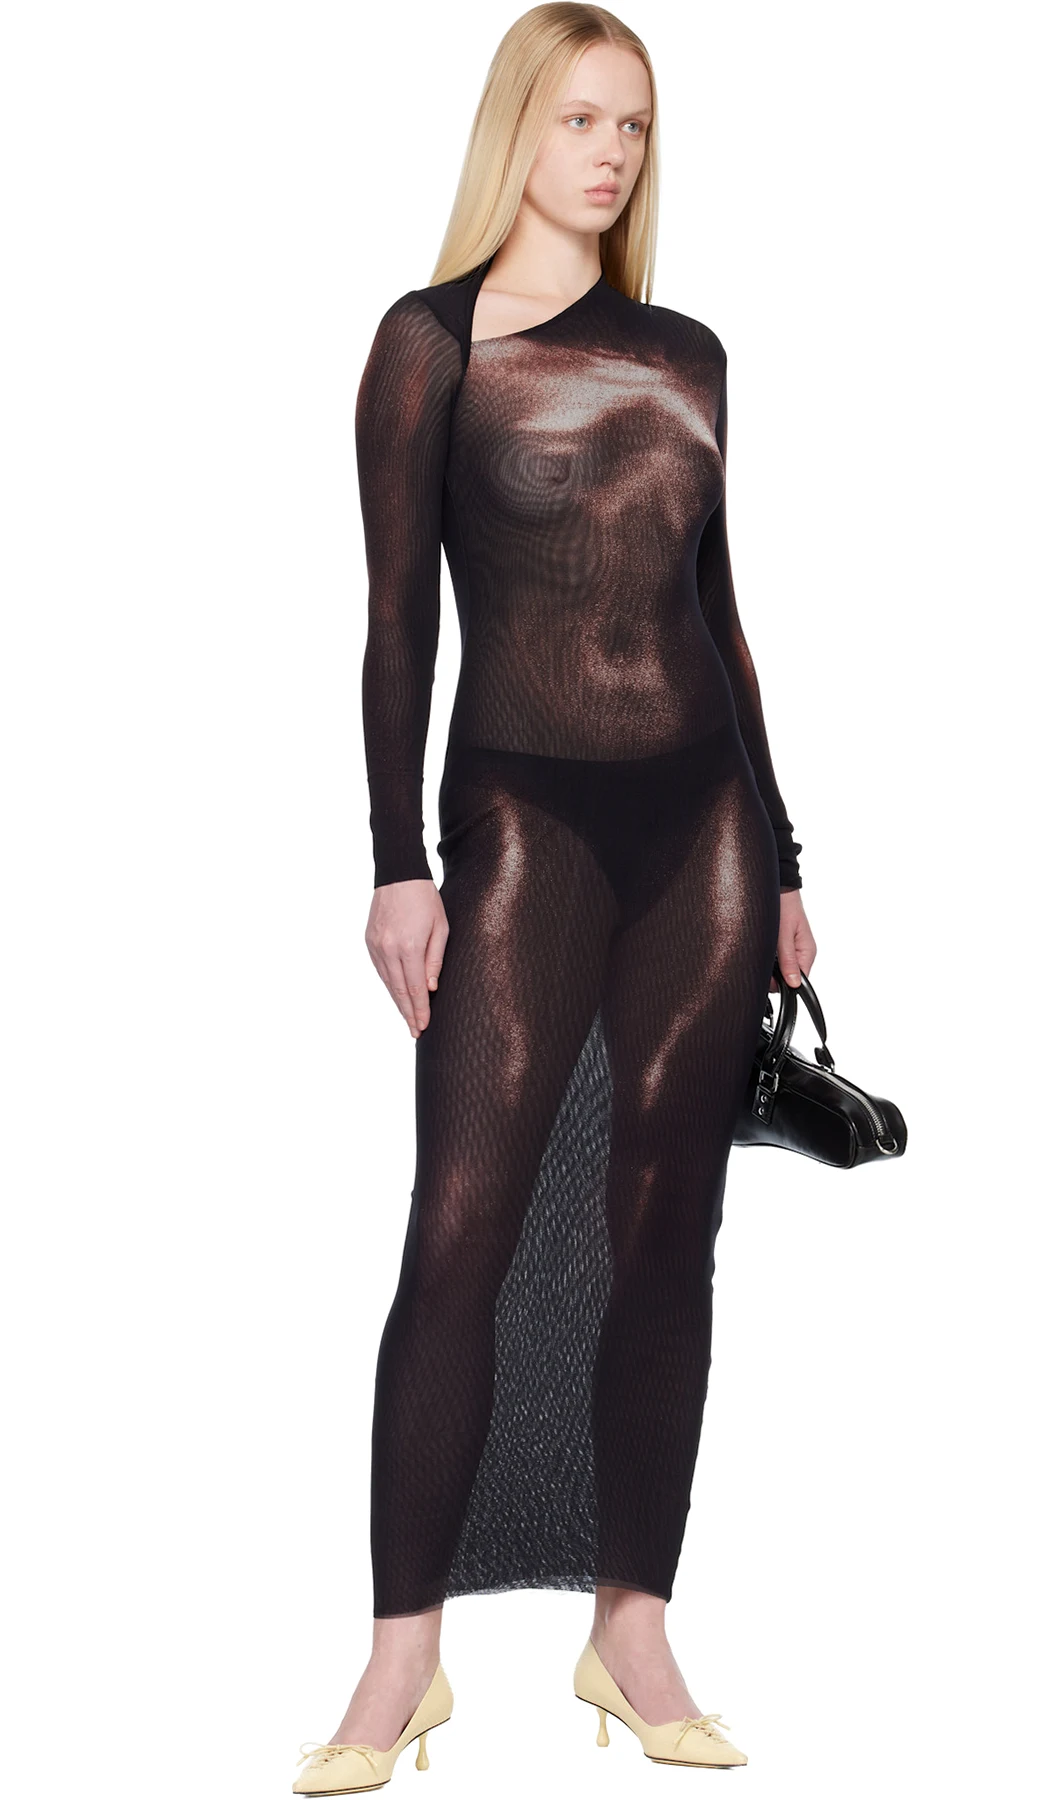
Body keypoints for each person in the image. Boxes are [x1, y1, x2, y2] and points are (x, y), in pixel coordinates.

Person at [294, 4, 816, 1789]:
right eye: (582, 118)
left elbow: (718, 613)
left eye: (634, 127)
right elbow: (394, 621)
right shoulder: (429, 344)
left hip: (704, 827)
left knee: (671, 1225)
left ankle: (631, 1627)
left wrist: (786, 856)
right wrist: (396, 858)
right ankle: (400, 1663)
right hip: (521, 814)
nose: (610, 153)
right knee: (464, 1224)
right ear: (516, 126)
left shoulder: (690, 353)